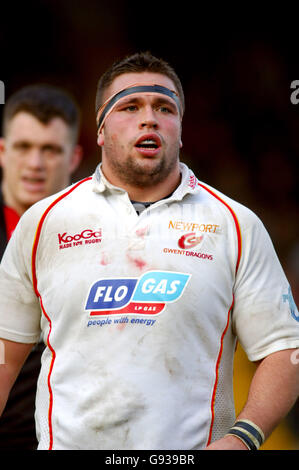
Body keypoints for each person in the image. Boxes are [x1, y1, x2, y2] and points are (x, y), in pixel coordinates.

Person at [0, 52, 298, 451]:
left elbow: (285, 351)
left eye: (164, 107)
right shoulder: (43, 223)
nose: (150, 118)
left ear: (180, 130)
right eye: (130, 106)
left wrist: (243, 439)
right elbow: (5, 353)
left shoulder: (235, 225)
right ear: (101, 130)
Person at [0, 84, 82, 449]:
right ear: (2, 151)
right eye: (23, 147)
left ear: (75, 157)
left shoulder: (105, 236)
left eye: (50, 150)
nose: (35, 163)